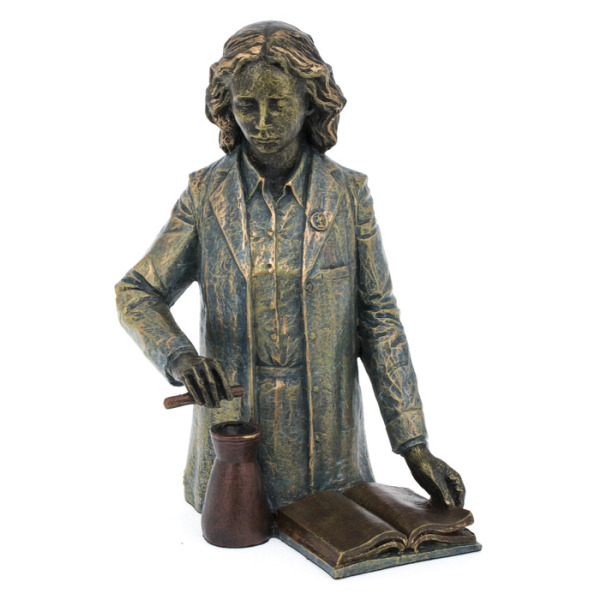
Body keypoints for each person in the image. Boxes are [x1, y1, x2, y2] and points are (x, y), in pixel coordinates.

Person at [115, 21, 465, 512]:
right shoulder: (205, 195)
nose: (261, 122)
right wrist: (180, 357)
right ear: (227, 108)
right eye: (246, 105)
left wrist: (415, 445)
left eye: (278, 104)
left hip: (332, 468)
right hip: (230, 465)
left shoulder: (348, 196)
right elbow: (137, 291)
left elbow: (379, 322)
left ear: (310, 101)